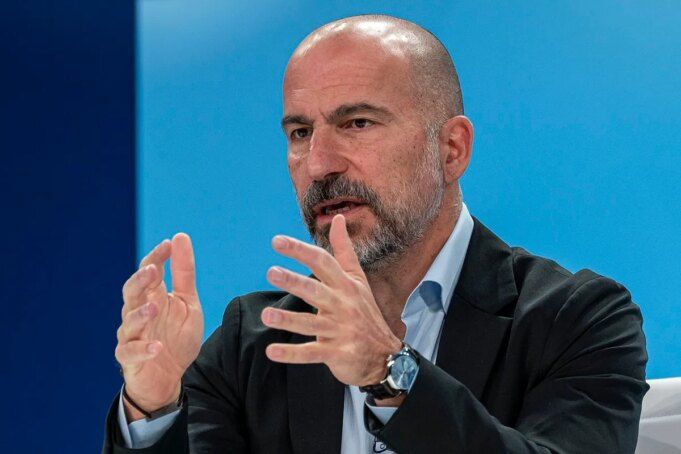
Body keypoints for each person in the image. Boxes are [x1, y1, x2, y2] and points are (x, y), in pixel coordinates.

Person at [102, 15, 648, 453]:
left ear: (451, 149)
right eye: (300, 132)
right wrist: (154, 409)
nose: (320, 164)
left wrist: (388, 372)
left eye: (357, 123)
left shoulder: (577, 320)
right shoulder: (254, 344)